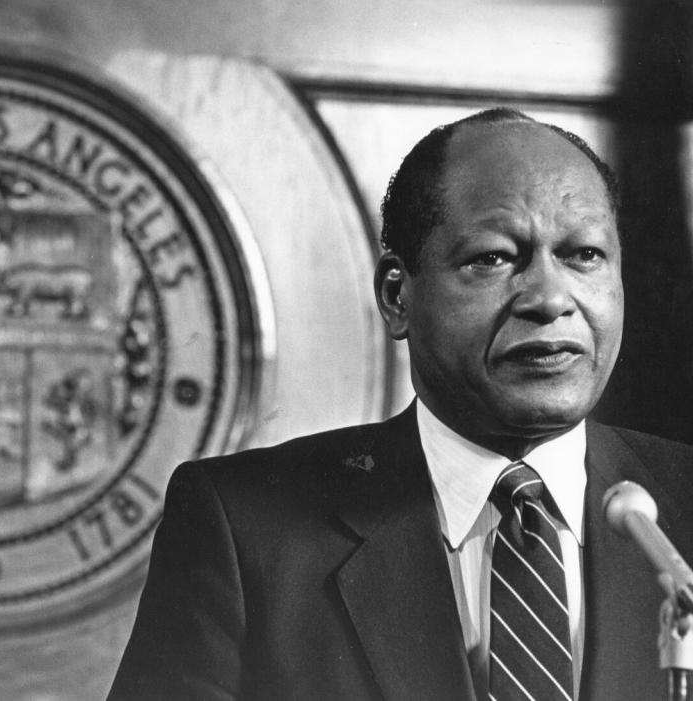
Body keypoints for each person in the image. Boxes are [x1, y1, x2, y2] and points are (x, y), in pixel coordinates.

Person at [107, 108, 693, 700]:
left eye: (584, 255)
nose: (549, 298)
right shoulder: (243, 527)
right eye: (493, 257)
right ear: (396, 297)